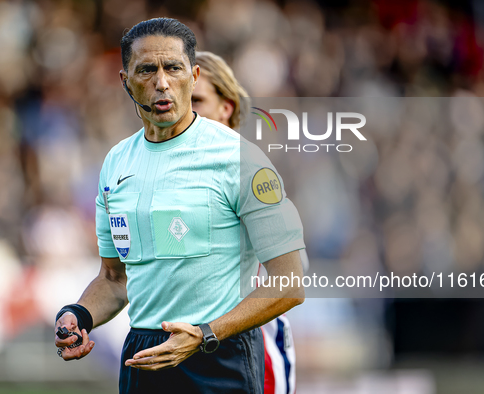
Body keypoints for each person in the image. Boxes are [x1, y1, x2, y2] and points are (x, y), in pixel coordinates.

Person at [54, 18, 305, 394]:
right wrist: (79, 315)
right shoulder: (116, 163)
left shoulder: (238, 157)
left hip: (219, 355)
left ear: (193, 74)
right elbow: (114, 279)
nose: (161, 82)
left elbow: (290, 282)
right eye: (146, 70)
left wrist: (205, 334)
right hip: (143, 356)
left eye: (173, 68)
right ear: (125, 81)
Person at [192, 50, 299, 394]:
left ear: (227, 108)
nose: (185, 111)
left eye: (197, 100)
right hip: (186, 344)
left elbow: (289, 281)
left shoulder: (249, 169)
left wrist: (213, 329)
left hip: (248, 347)